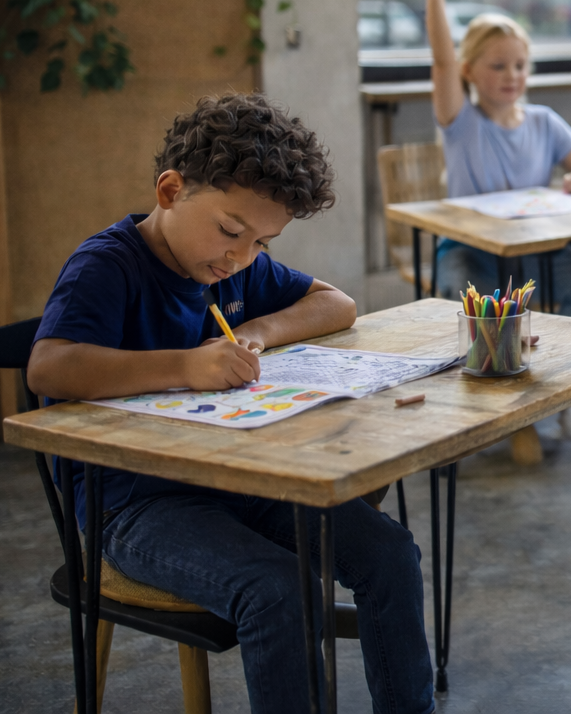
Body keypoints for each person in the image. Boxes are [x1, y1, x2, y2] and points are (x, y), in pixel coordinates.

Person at [27, 93, 435, 713]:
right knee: (276, 589)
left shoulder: (234, 269)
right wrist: (186, 367)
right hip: (132, 505)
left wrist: (257, 333)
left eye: (261, 242)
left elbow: (337, 304)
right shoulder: (107, 268)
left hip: (239, 481)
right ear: (170, 191)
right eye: (229, 230)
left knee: (389, 554)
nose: (240, 256)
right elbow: (48, 365)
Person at [419, 0, 571, 440]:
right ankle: (493, 411)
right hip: (472, 251)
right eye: (498, 66)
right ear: (469, 72)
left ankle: (561, 394)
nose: (512, 76)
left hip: (543, 250)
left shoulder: (544, 122)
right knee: (474, 300)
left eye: (520, 66)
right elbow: (441, 60)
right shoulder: (461, 124)